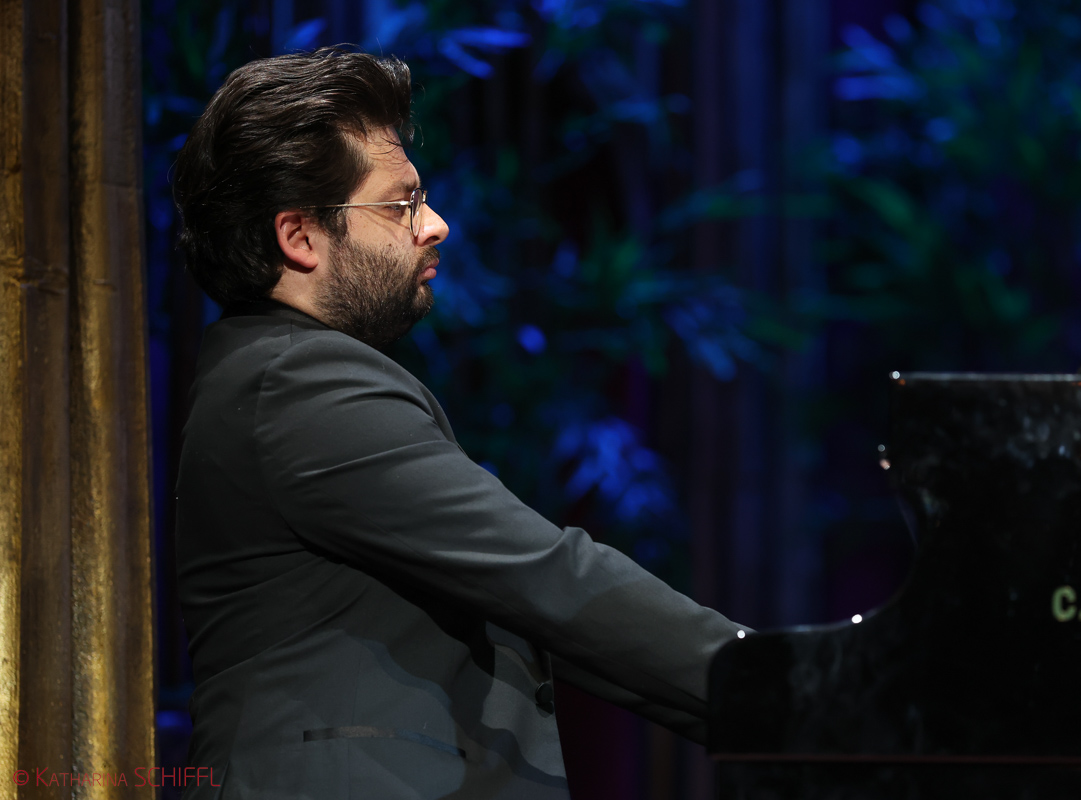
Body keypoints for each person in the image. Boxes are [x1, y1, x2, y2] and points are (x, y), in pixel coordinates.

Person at [172, 47, 746, 800]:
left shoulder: (270, 375)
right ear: (300, 236)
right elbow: (547, 576)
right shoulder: (299, 384)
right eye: (400, 204)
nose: (436, 225)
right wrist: (794, 689)